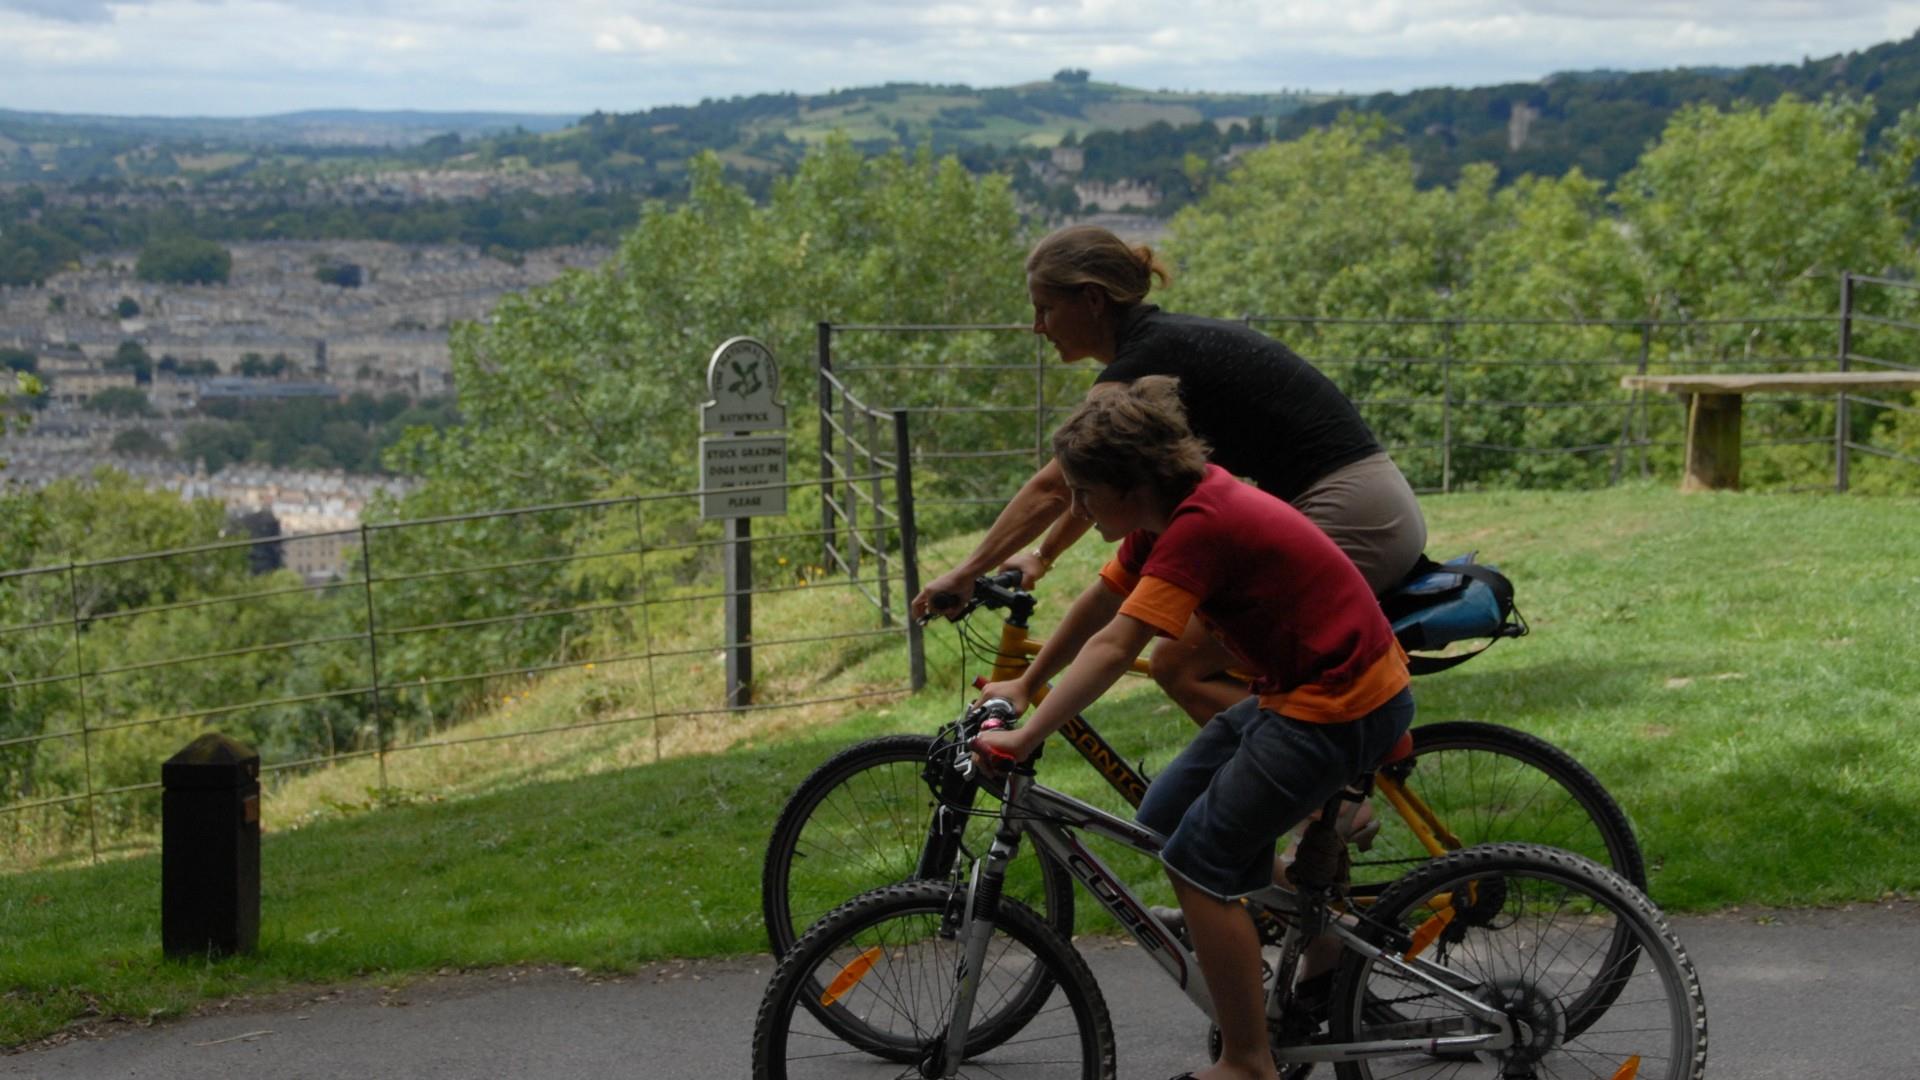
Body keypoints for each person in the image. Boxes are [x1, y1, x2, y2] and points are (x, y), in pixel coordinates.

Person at [970, 377, 1415, 1080]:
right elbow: (1100, 602)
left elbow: (1119, 646)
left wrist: (1027, 737)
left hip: (1339, 702)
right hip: (1300, 691)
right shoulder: (1168, 512)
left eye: (1086, 495)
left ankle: (1247, 1061)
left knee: (1196, 865)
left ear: (1128, 484)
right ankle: (1325, 935)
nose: (1079, 510)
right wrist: (1026, 683)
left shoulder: (1201, 524)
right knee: (1165, 816)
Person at [912, 223, 1426, 728]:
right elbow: (1096, 482)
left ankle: (1324, 793)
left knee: (1179, 663)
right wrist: (1042, 556)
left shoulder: (1145, 362)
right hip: (1364, 502)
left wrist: (967, 571)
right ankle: (1317, 782)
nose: (1037, 327)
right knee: (1215, 656)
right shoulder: (1158, 346)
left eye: (1045, 309)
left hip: (1353, 514)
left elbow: (1057, 483)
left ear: (1091, 300)